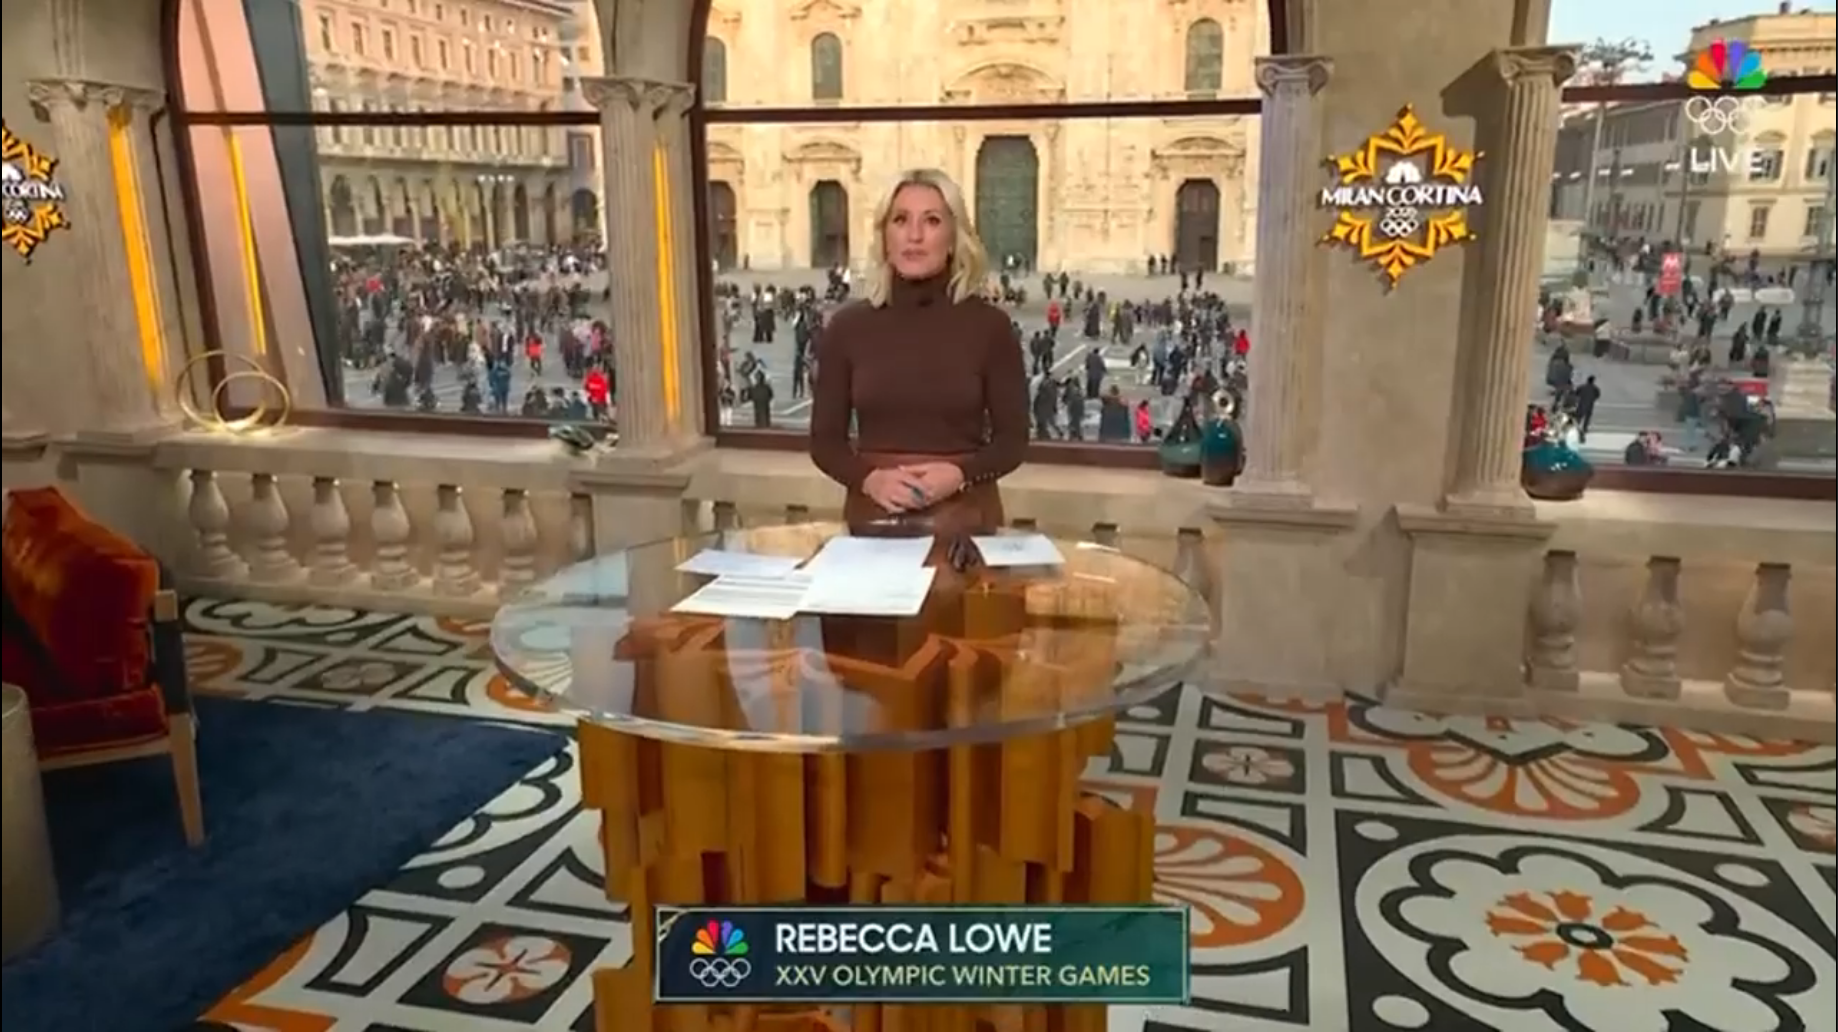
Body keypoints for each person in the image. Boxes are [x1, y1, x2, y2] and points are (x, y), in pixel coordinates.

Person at [807, 168, 1028, 533]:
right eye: (900, 220)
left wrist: (960, 474)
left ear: (954, 237)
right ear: (885, 236)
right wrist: (870, 480)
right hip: (874, 520)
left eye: (932, 221)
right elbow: (825, 442)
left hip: (965, 519)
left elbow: (1013, 442)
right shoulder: (847, 328)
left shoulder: (991, 327)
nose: (914, 235)